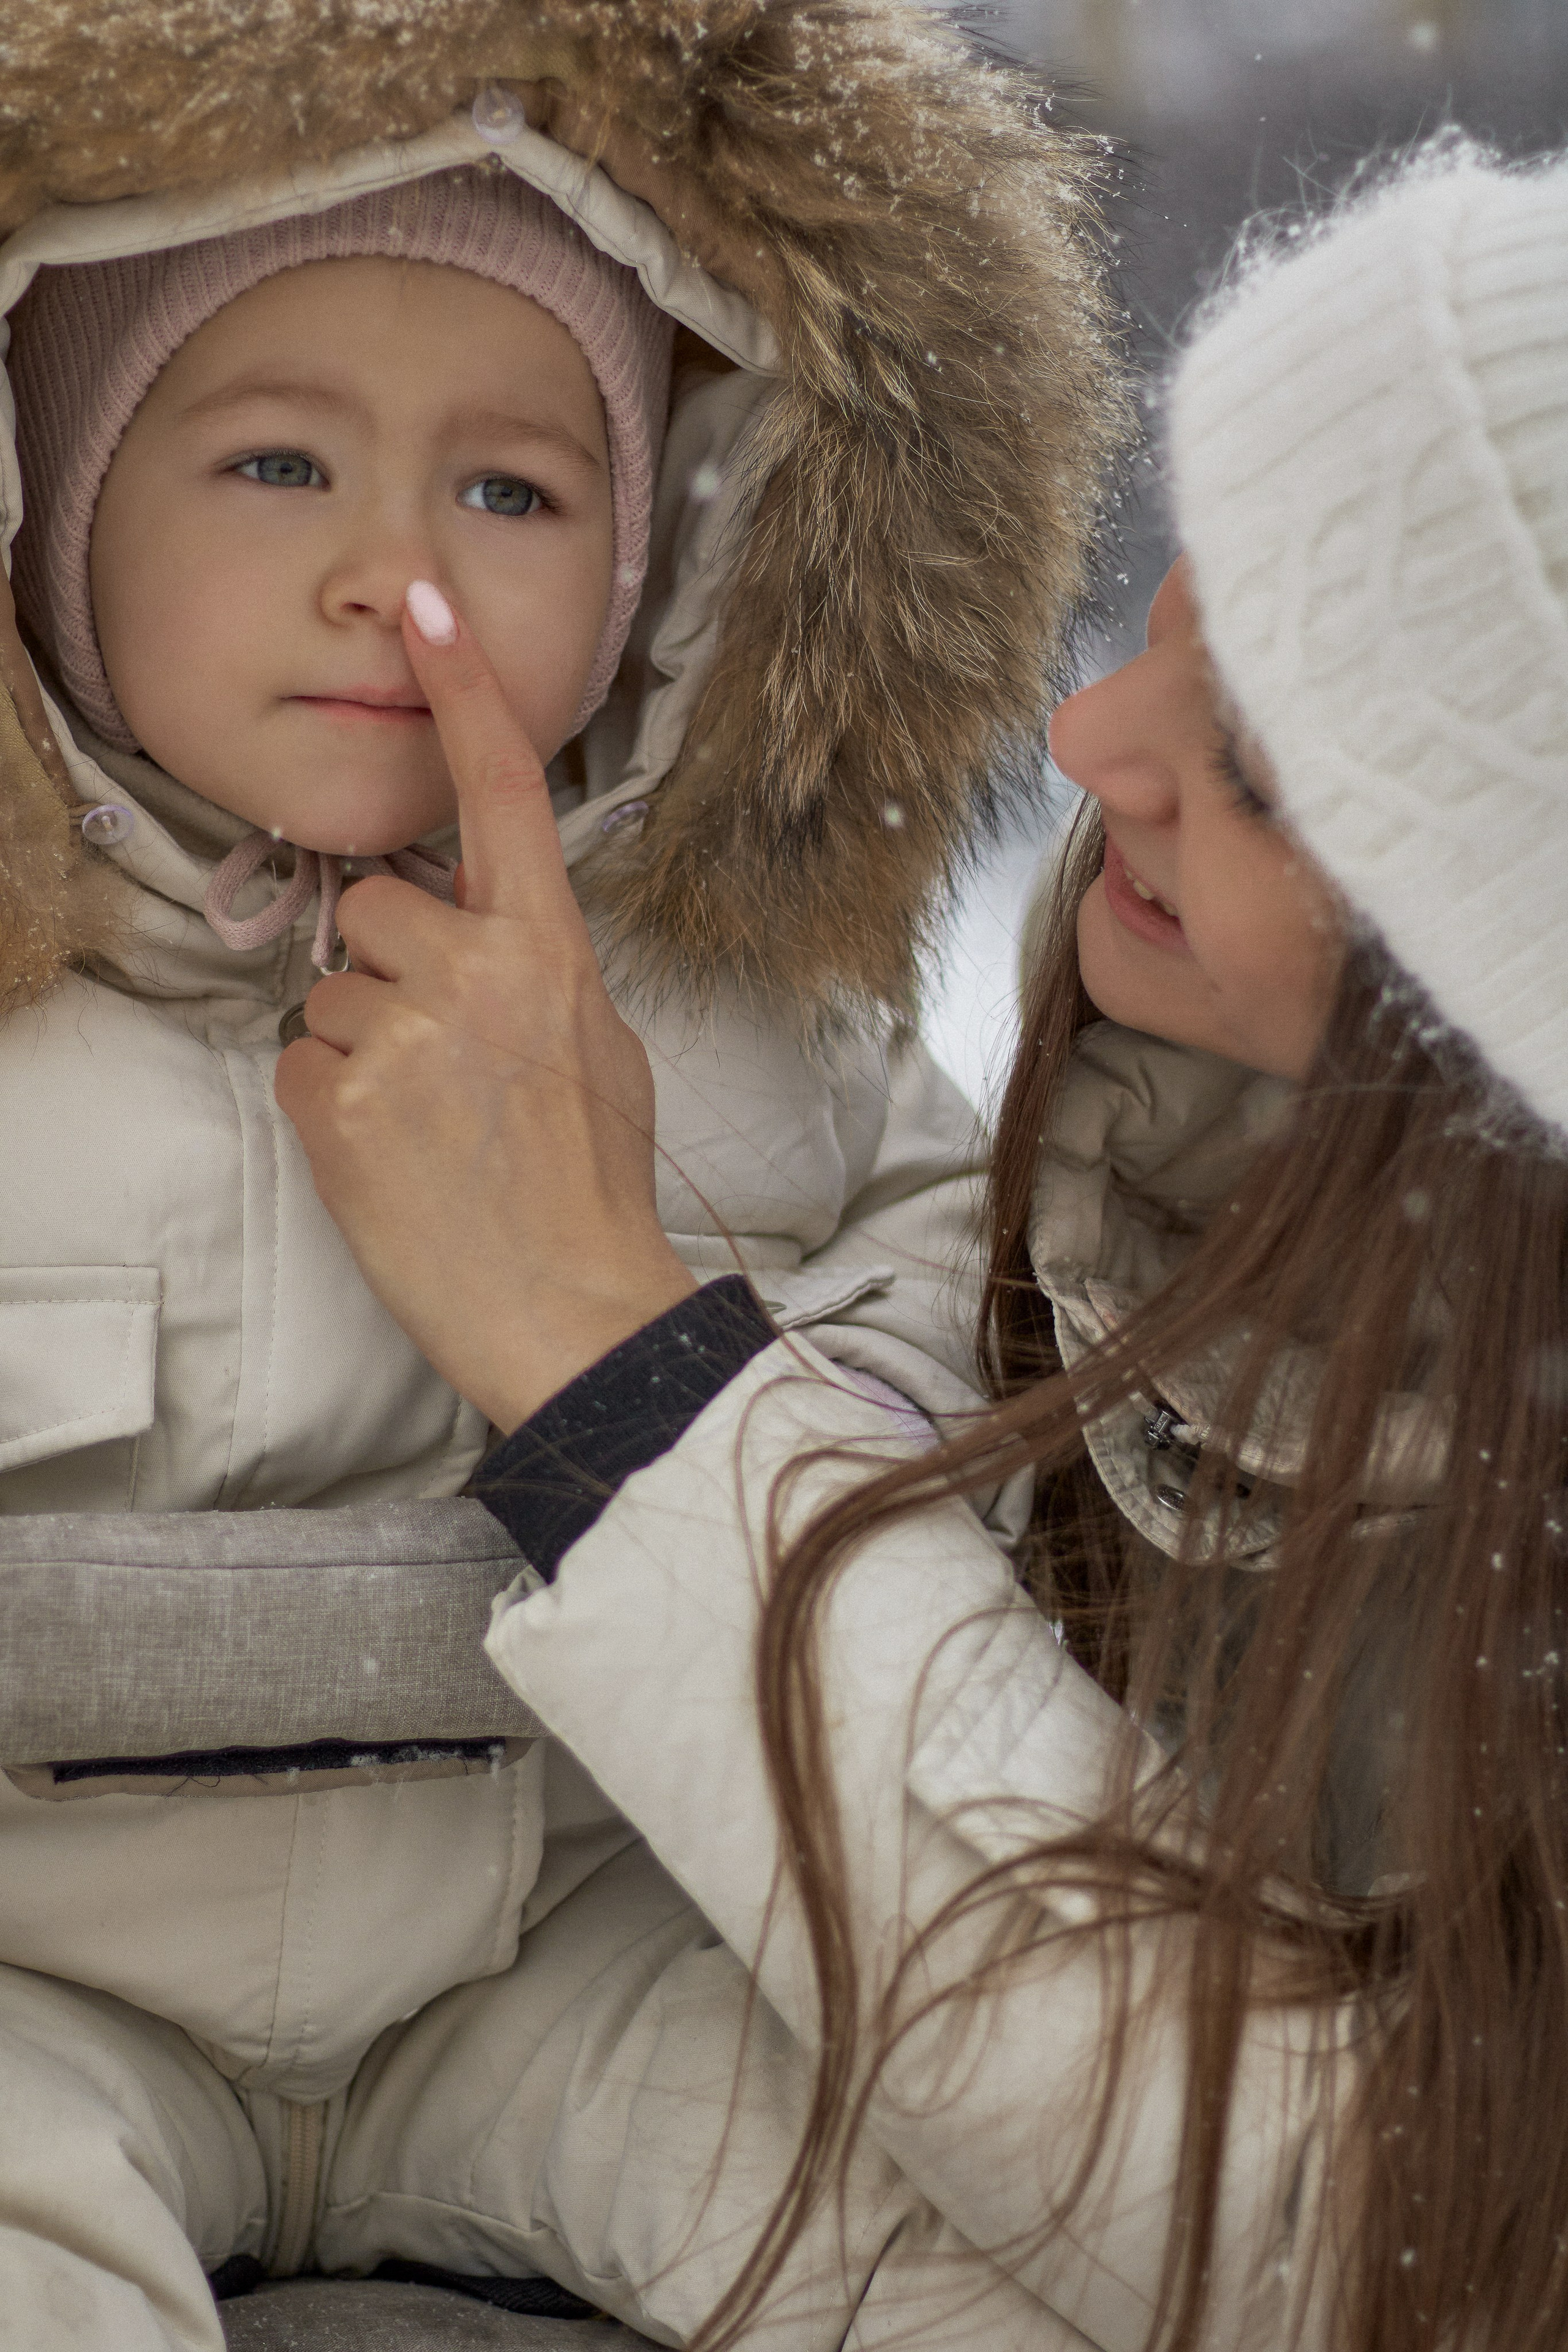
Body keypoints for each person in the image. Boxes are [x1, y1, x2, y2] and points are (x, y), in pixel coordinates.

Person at [282, 146, 1568, 2350]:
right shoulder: (1188, 1131)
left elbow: (1386, 2250)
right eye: (1191, 588)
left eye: (1262, 771)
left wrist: (616, 1367)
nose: (1087, 740)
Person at [0, 6, 1128, 2346]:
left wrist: (856, 1420)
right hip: (42, 1976)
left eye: (512, 495)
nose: (396, 583)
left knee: (975, 2254)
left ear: (663, 563)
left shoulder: (714, 990)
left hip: (562, 1951)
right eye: (276, 465)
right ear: (47, 508)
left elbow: (932, 1245)